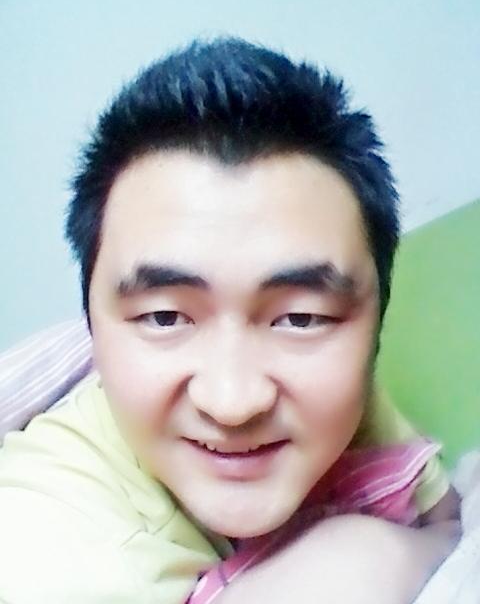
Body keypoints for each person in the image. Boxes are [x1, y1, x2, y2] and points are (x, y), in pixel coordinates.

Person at [0, 37, 459, 603]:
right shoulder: (48, 557)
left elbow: (445, 518)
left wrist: (374, 552)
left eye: (299, 319)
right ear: (92, 326)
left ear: (374, 327)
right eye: (165, 317)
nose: (234, 402)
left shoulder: (338, 393)